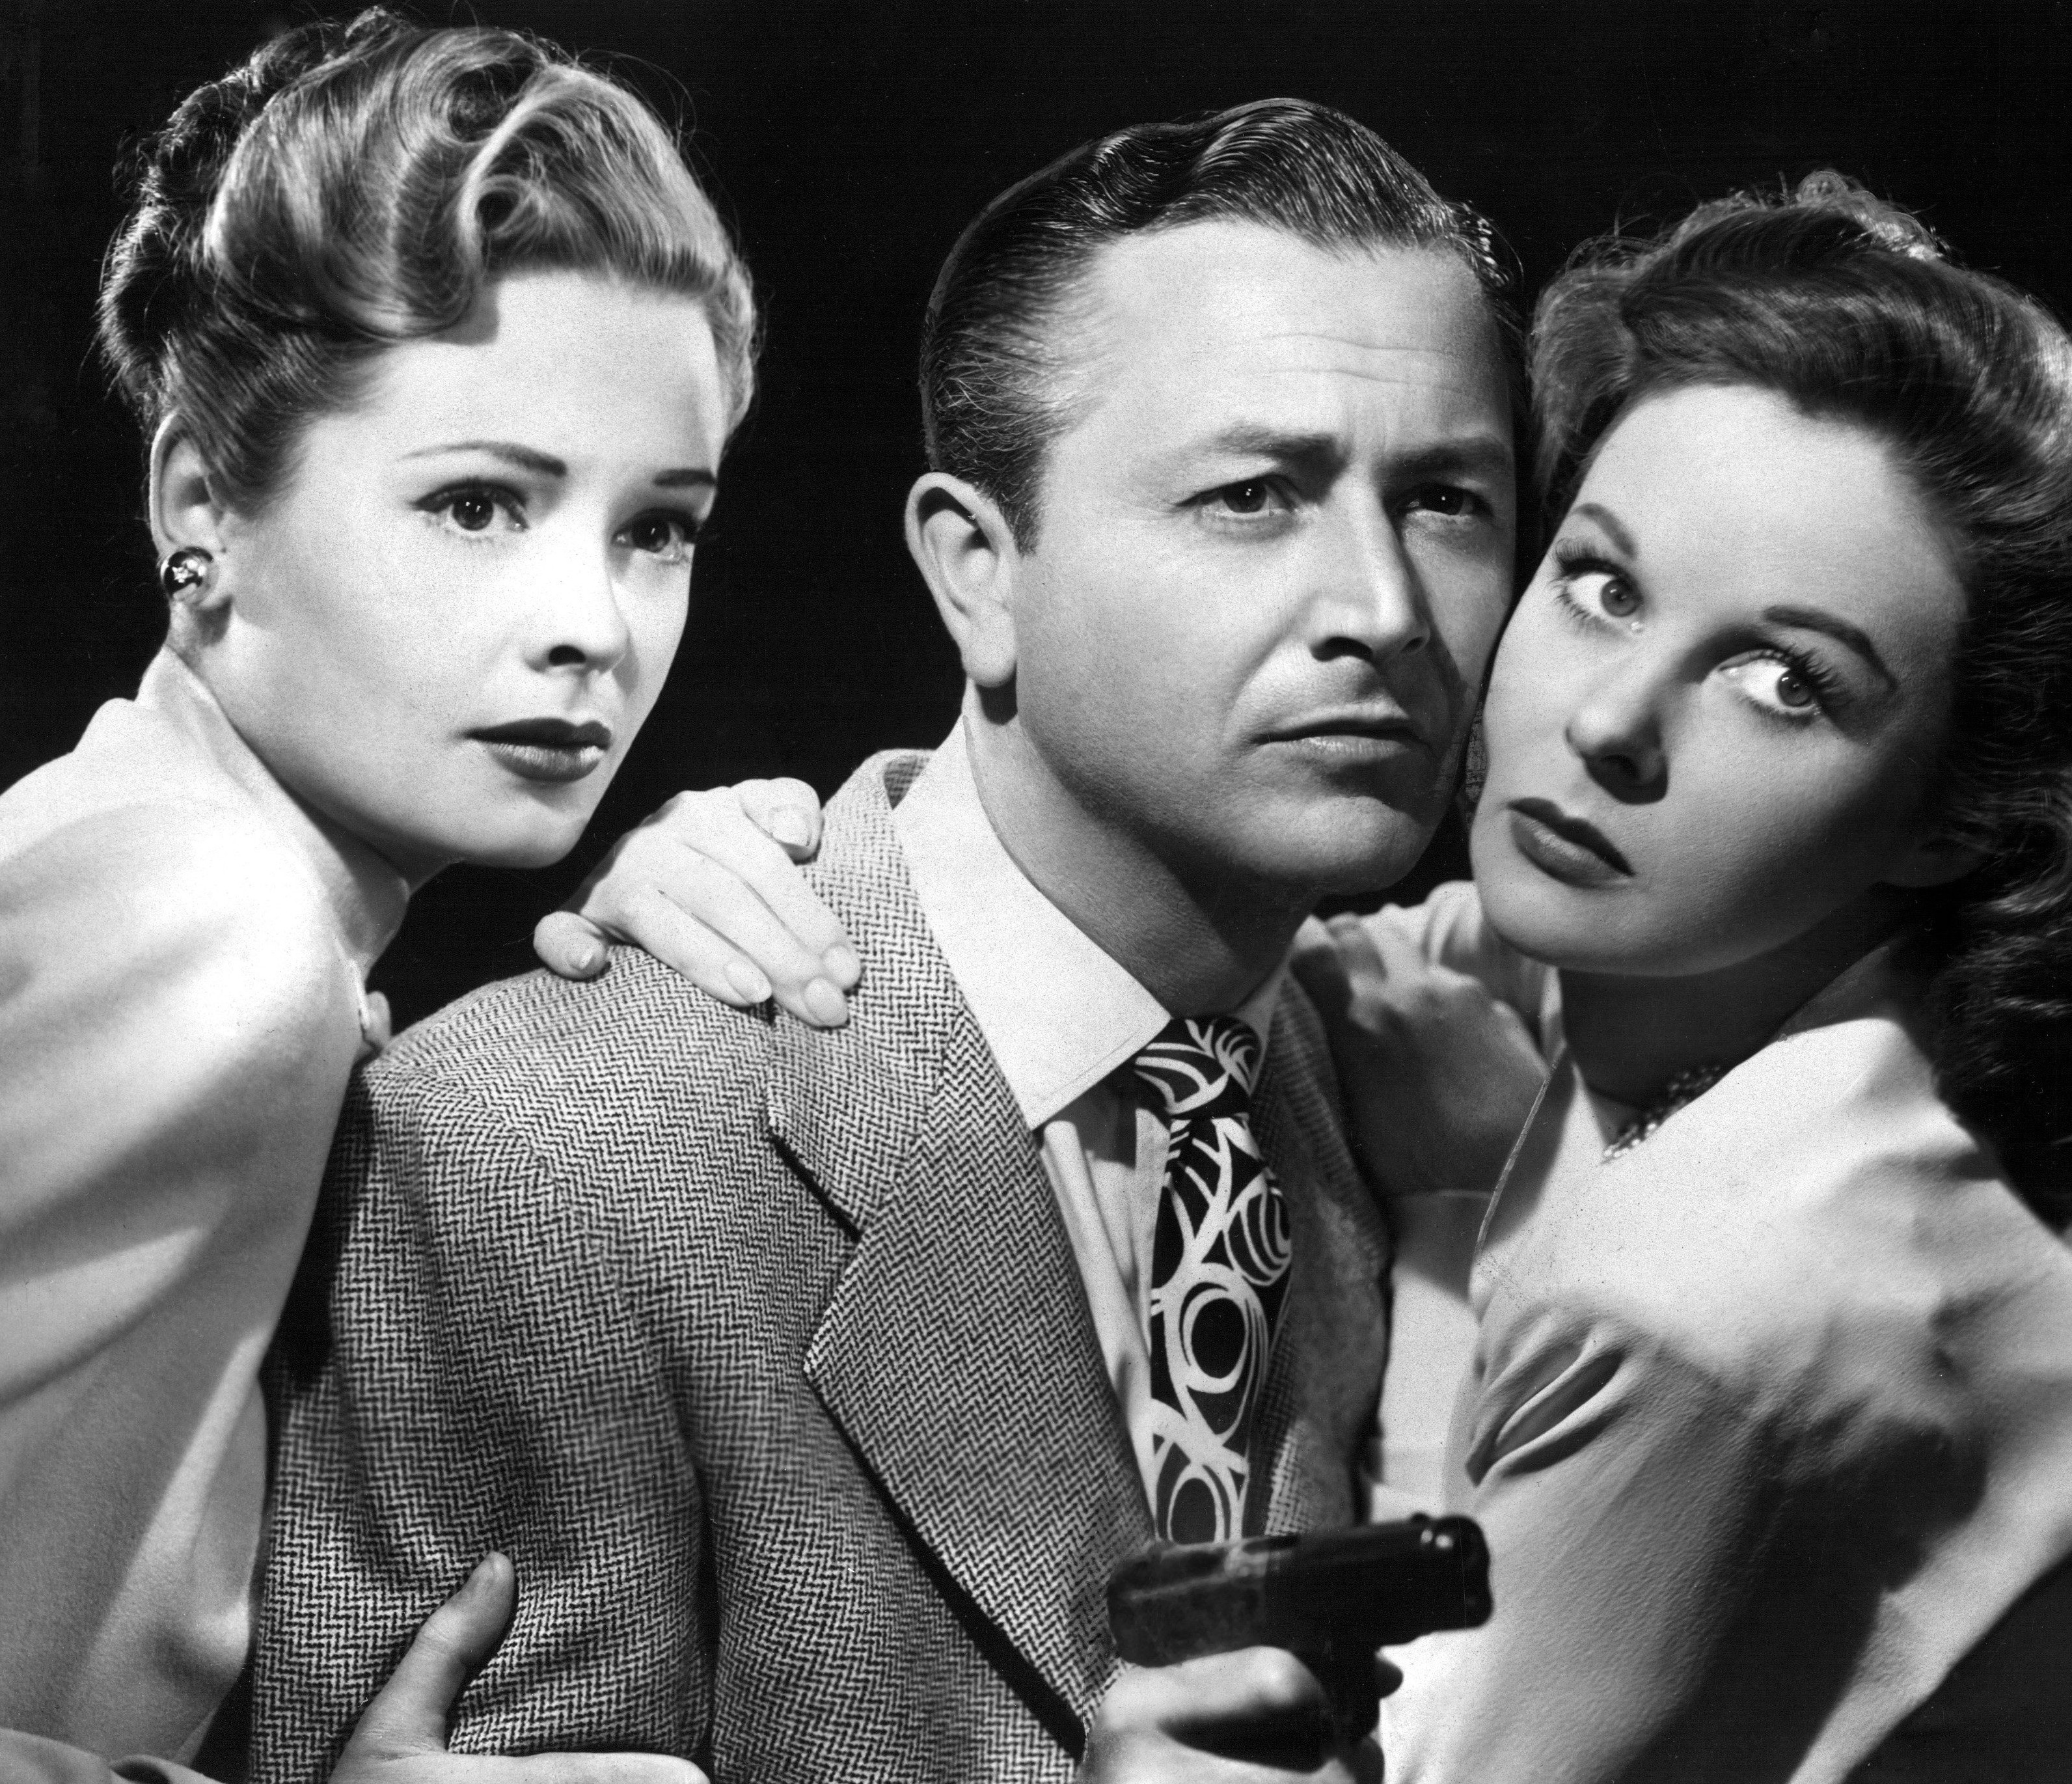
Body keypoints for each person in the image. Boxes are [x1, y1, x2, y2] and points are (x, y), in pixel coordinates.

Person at [247, 98, 1520, 1784]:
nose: (1383, 606)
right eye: (1252, 495)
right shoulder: (532, 1151)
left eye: (1446, 499)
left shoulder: (1373, 1059)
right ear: (976, 573)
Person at [1294, 174, 2072, 1779]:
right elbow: (1379, 966)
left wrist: (1447, 1216)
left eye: (1782, 682)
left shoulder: (1729, 1297)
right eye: (1603, 586)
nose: (1608, 723)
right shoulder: (1749, 955)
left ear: (1956, 814)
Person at [0, 14, 854, 1782]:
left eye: (655, 528)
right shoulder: (203, 931)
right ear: (201, 504)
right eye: (478, 506)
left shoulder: (168, 871)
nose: (592, 626)